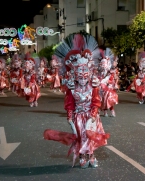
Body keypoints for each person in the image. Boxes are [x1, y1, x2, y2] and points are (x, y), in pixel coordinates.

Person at [44, 33, 110, 169]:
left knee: (90, 136)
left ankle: (91, 155)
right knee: (81, 137)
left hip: (91, 116)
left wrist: (92, 115)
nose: (82, 75)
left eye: (85, 70)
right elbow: (69, 104)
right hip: (78, 116)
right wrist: (70, 116)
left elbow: (96, 102)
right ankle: (82, 156)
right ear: (74, 73)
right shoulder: (72, 87)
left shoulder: (93, 85)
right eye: (79, 71)